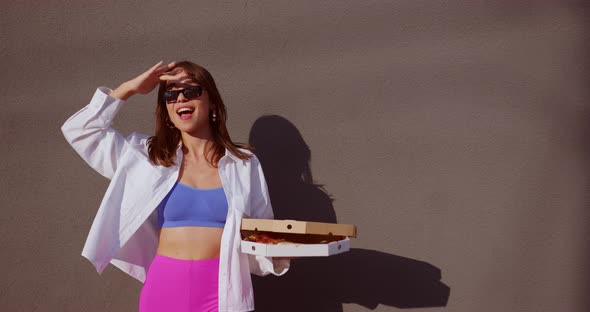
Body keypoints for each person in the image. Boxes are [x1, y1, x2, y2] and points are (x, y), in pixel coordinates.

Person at [61, 60, 291, 312]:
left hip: (224, 291)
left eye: (191, 91)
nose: (180, 98)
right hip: (164, 289)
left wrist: (290, 247)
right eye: (171, 95)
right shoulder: (148, 157)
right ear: (167, 110)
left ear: (212, 102)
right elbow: (81, 130)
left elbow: (261, 229)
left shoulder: (244, 164)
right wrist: (130, 89)